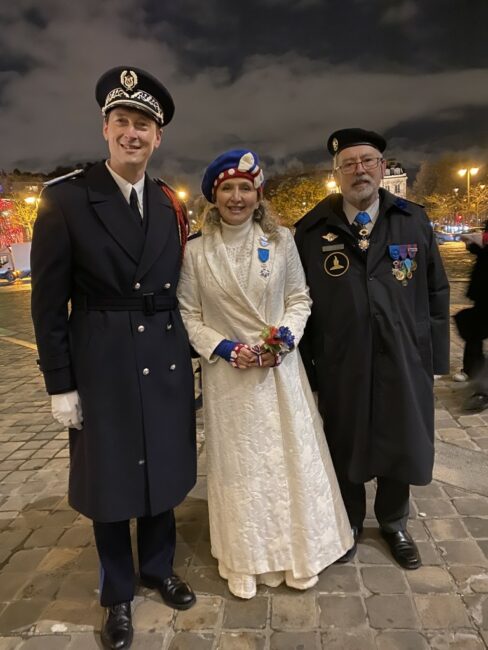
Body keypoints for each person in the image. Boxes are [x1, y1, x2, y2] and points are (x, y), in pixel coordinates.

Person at [31, 66, 196, 650]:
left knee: (163, 469)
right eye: (122, 121)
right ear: (105, 128)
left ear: (159, 137)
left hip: (165, 356)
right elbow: (48, 301)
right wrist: (60, 384)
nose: (134, 133)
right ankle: (117, 592)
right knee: (110, 480)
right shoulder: (67, 198)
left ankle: (157, 566)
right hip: (101, 362)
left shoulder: (168, 201)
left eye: (144, 125)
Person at [177, 149, 353, 599]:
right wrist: (224, 347)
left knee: (289, 461)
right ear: (213, 196)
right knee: (241, 469)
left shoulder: (282, 242)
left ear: (259, 195)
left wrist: (284, 341)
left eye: (246, 189)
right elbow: (187, 313)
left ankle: (300, 552)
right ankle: (245, 557)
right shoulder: (195, 252)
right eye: (227, 189)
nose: (237, 197)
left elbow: (300, 298)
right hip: (230, 378)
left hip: (279, 371)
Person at [295, 128, 450, 570]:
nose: (358, 170)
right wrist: (308, 369)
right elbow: (300, 303)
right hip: (342, 359)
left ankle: (394, 523)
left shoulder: (412, 221)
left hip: (404, 355)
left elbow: (437, 289)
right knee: (344, 441)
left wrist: (434, 358)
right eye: (349, 163)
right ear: (337, 173)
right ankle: (346, 522)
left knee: (400, 437)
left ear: (382, 167)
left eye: (367, 161)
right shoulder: (312, 229)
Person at [455, 223, 488, 410]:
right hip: (483, 291)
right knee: (474, 331)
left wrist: (482, 240)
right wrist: (473, 243)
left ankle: (483, 390)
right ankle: (471, 370)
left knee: (474, 329)